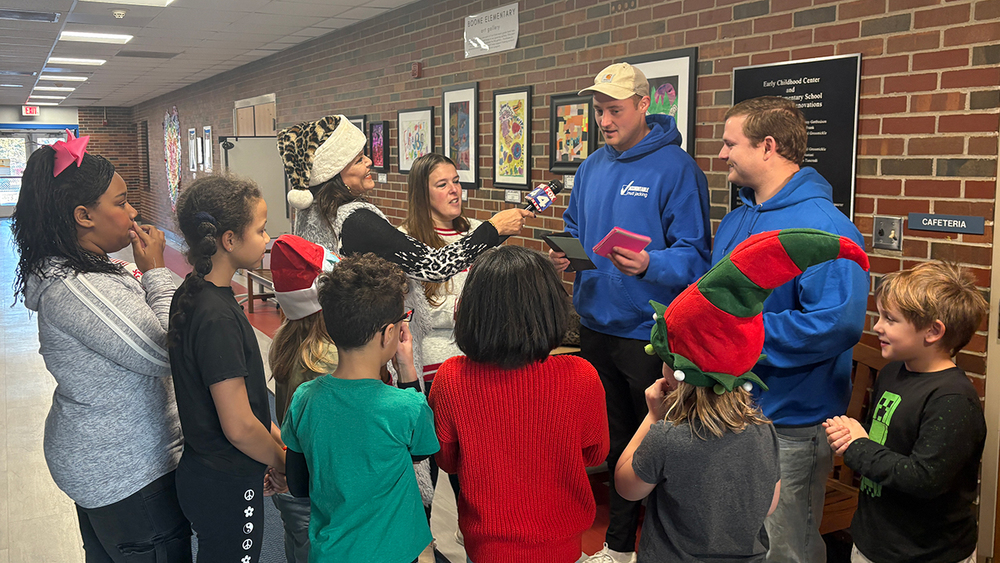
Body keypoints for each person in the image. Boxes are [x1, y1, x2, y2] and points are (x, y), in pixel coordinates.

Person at [615, 228, 869, 563]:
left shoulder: (667, 435)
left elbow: (626, 486)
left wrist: (652, 417)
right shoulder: (764, 430)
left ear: (679, 374)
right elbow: (770, 504)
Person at [550, 62, 711, 563]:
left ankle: (648, 548)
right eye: (598, 110)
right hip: (594, 325)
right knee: (611, 442)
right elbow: (575, 226)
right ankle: (617, 547)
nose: (604, 119)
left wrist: (649, 263)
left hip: (648, 333)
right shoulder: (592, 166)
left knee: (654, 445)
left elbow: (697, 256)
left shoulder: (677, 169)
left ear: (645, 106)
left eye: (614, 109)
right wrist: (566, 254)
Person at [11, 133, 190, 562]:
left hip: (110, 461)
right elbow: (167, 352)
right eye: (121, 201)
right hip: (125, 473)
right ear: (83, 216)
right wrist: (156, 274)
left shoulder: (85, 266)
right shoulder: (76, 287)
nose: (133, 213)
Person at [712, 96, 870, 563]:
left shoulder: (826, 229)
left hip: (789, 423)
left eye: (729, 143)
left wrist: (738, 330)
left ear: (767, 146)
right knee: (734, 541)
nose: (721, 155)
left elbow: (835, 325)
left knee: (785, 549)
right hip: (729, 410)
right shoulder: (737, 219)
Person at [278, 114, 532, 381]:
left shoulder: (313, 211)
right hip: (363, 354)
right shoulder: (354, 219)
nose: (369, 163)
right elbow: (435, 266)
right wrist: (494, 230)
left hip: (328, 346)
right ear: (335, 173)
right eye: (358, 159)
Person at [428, 246, 610, 563]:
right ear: (551, 307)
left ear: (471, 309)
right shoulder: (582, 375)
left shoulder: (452, 377)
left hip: (486, 545)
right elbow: (595, 453)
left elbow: (447, 460)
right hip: (562, 542)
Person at [825, 261, 987, 563]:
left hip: (925, 553)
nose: (877, 326)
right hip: (874, 540)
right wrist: (852, 436)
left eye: (890, 319)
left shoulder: (952, 400)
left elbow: (924, 478)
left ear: (933, 331)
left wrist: (857, 446)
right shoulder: (892, 373)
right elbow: (888, 441)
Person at [281, 253, 439, 563]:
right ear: (388, 333)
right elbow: (421, 450)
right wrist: (407, 369)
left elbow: (299, 486)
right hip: (396, 554)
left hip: (332, 552)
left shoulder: (304, 399)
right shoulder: (404, 406)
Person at [167, 175, 287, 563]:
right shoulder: (215, 315)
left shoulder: (196, 291)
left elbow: (244, 402)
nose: (268, 239)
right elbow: (238, 426)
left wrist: (274, 442)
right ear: (230, 240)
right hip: (225, 483)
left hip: (214, 474)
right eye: (261, 229)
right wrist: (283, 461)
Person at [265, 234, 343, 563]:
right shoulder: (326, 359)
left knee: (297, 545)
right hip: (314, 487)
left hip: (291, 473)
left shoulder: (286, 337)